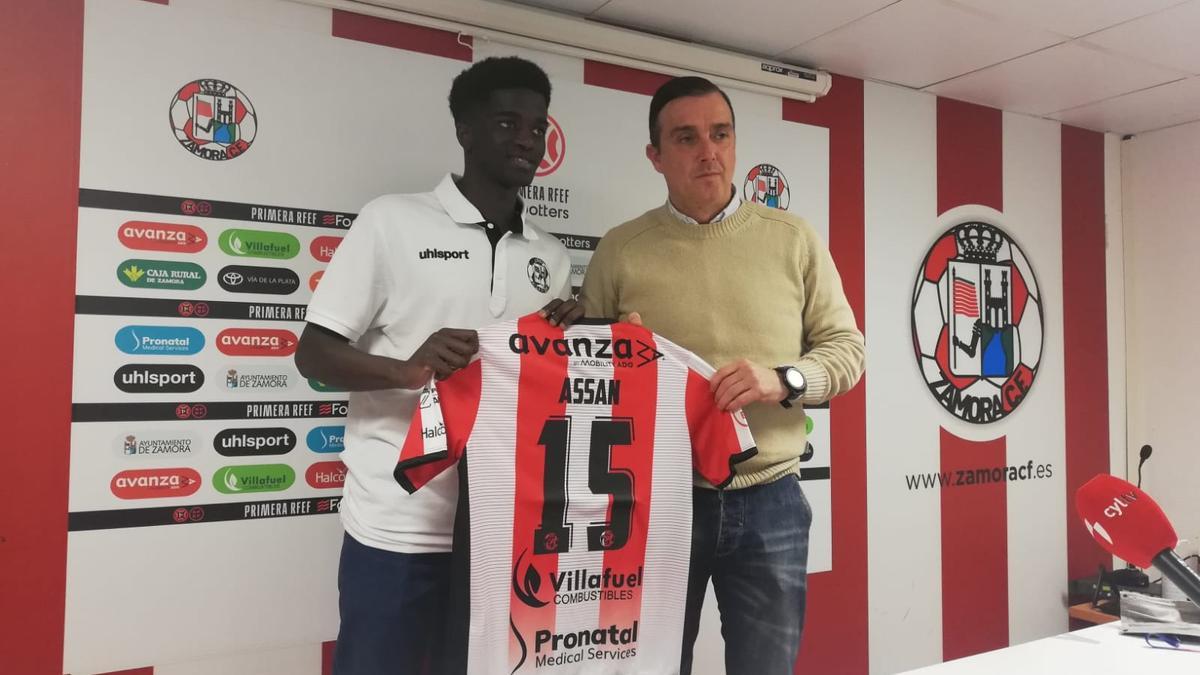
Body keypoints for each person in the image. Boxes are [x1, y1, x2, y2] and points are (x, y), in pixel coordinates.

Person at [295, 56, 581, 675]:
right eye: (508, 123)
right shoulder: (390, 221)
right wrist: (406, 369)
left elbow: (540, 387)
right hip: (399, 528)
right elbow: (312, 353)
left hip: (506, 529)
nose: (526, 140)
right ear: (466, 131)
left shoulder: (552, 258)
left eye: (537, 127)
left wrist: (575, 343)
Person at [577, 76, 865, 675]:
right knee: (646, 667)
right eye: (686, 137)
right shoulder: (620, 250)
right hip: (656, 502)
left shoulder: (794, 239)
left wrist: (781, 380)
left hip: (772, 498)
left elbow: (846, 352)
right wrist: (616, 355)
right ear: (655, 156)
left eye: (721, 133)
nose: (708, 151)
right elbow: (586, 381)